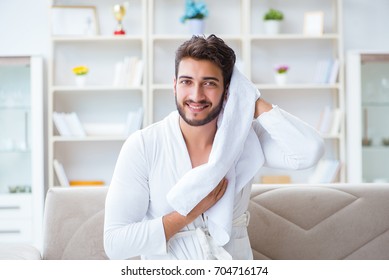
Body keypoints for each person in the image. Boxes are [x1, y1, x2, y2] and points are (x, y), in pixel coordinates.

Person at [104, 34, 324, 260]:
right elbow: (115, 244)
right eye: (186, 81)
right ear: (174, 85)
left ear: (228, 91)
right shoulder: (144, 145)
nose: (196, 95)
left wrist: (250, 100)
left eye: (209, 83)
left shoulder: (245, 139)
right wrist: (185, 215)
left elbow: (309, 151)